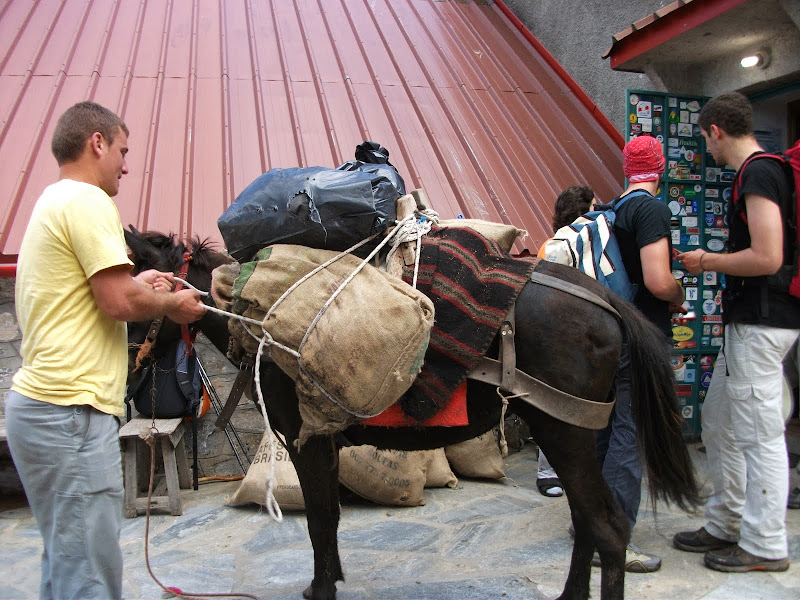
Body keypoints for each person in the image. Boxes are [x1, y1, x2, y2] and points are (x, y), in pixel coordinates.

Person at [5, 101, 207, 599]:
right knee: (89, 577)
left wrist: (138, 282)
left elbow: (99, 290)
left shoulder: (53, 201)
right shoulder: (89, 201)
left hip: (42, 412)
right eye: (122, 149)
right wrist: (171, 303)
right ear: (97, 142)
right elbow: (119, 302)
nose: (126, 163)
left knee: (68, 562)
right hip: (69, 416)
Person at [673, 91, 799, 572]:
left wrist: (705, 261)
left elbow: (767, 256)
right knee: (720, 420)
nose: (707, 150)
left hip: (762, 322)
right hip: (748, 322)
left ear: (715, 131)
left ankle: (765, 545)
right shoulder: (762, 171)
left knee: (759, 433)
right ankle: (725, 522)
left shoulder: (759, 172)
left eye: (706, 140)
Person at [593, 135, 685, 573]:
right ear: (660, 168)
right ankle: (612, 541)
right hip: (640, 339)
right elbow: (657, 280)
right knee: (629, 438)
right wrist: (678, 294)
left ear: (627, 168)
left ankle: (592, 525)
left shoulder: (611, 209)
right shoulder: (649, 210)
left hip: (609, 336)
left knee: (605, 433)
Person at [535, 185, 597, 497]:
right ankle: (548, 471)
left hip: (584, 335)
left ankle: (563, 470)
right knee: (556, 405)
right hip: (563, 336)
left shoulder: (592, 245)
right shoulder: (555, 246)